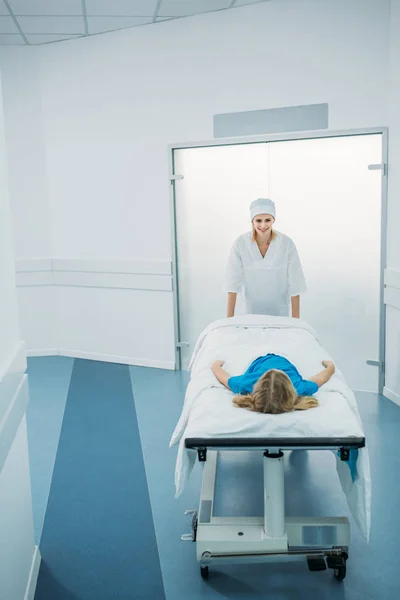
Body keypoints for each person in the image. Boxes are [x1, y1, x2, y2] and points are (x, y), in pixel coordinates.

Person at [225, 198, 306, 318]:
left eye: (267, 220)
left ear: (273, 220)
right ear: (252, 221)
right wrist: (228, 321)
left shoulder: (286, 244)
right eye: (258, 220)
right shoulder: (240, 244)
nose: (263, 225)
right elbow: (232, 284)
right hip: (250, 314)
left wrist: (296, 323)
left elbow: (295, 285)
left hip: (279, 315)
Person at [211, 355, 335, 414]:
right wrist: (330, 365)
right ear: (289, 391)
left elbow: (223, 377)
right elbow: (321, 377)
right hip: (282, 360)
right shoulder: (298, 387)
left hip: (261, 361)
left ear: (257, 387)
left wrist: (216, 364)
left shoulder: (246, 384)